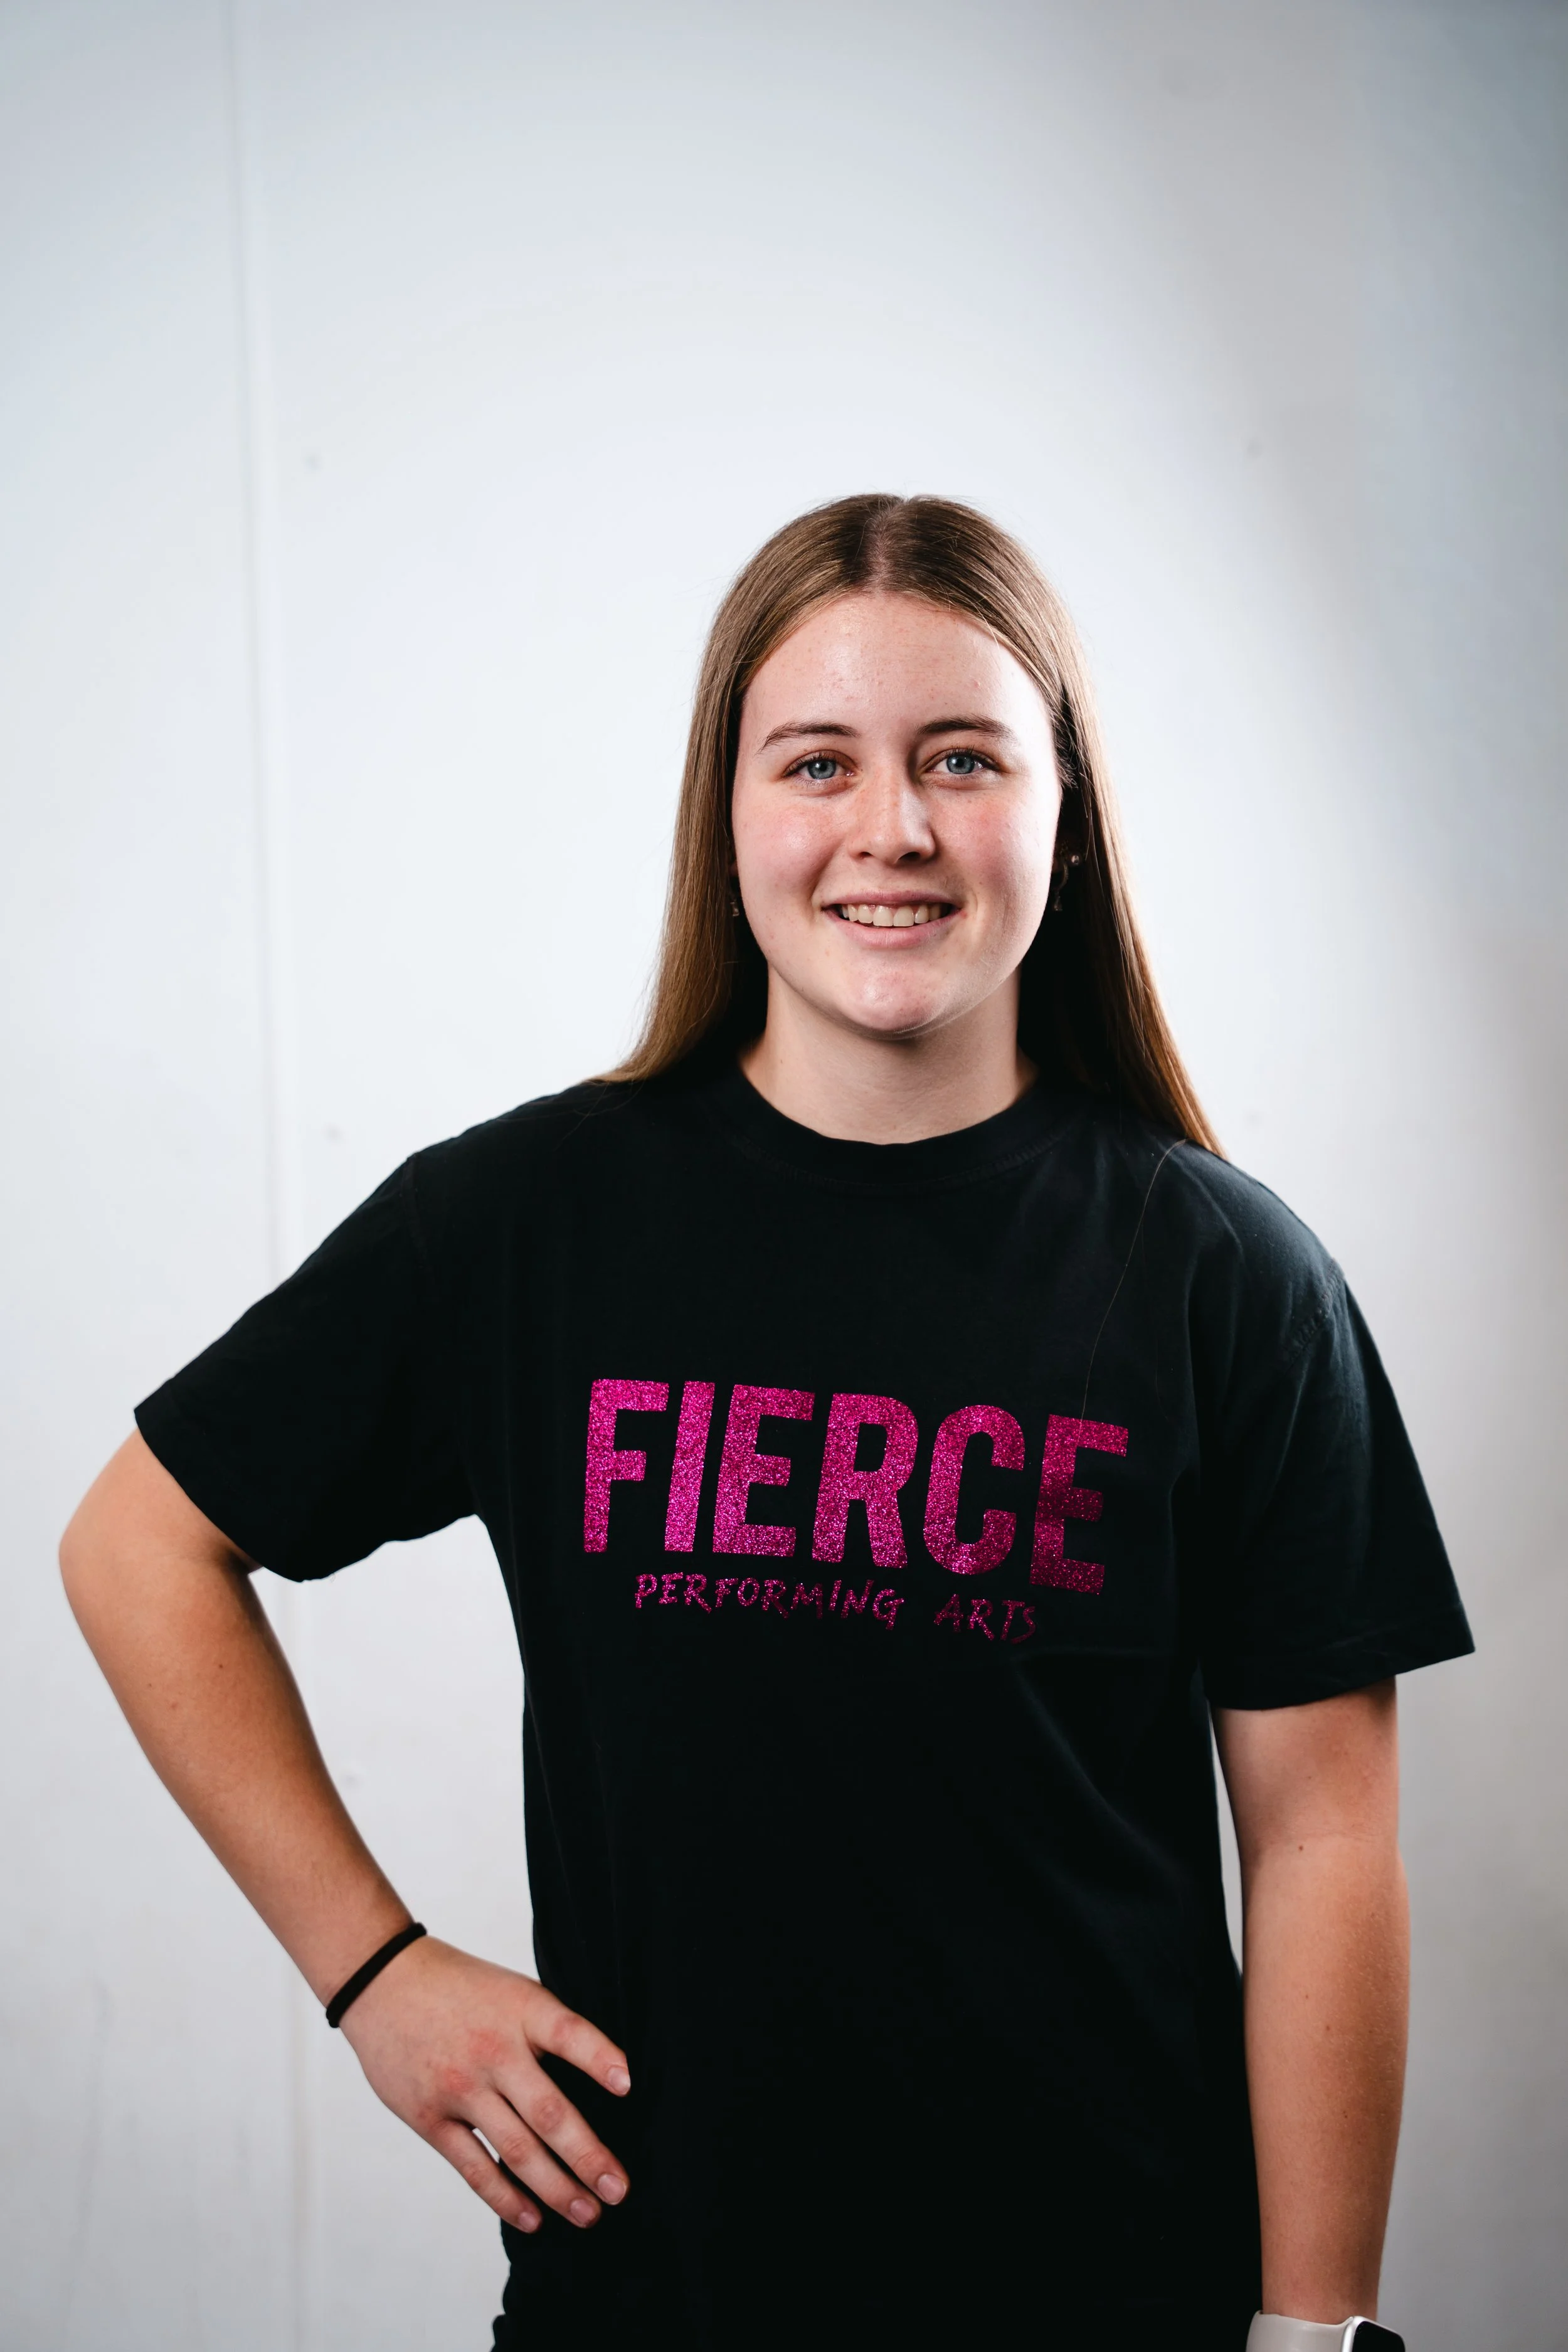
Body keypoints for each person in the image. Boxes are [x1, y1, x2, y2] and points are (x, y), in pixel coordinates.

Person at [60, 494, 1470, 2352]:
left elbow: (1318, 1842)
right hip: (656, 2298)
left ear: (1066, 811)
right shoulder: (522, 1227)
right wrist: (376, 1972)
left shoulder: (1227, 1276)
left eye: (962, 758)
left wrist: (1309, 2326)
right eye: (819, 761)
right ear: (725, 818)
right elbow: (139, 1542)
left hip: (1116, 2291)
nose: (891, 827)